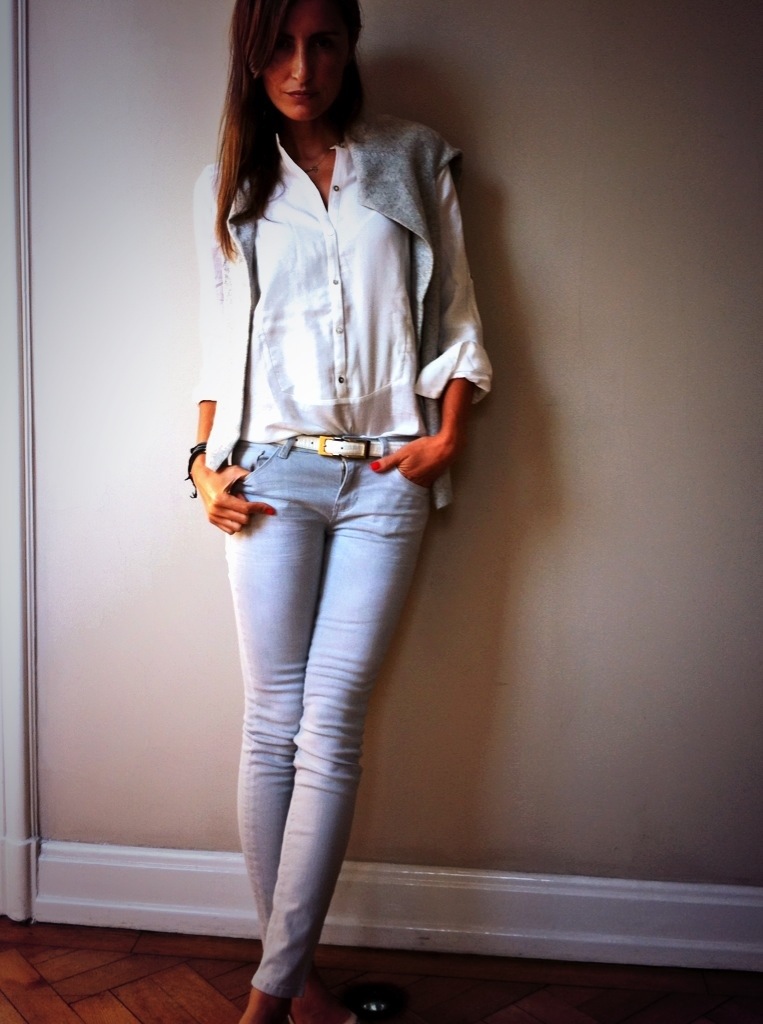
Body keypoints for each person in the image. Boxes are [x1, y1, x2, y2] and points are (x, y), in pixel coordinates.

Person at [188, 0, 492, 1021]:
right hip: (267, 473)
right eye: (278, 43)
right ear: (251, 53)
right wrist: (200, 468)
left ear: (350, 43)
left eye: (321, 40)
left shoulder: (410, 158)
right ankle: (293, 985)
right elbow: (216, 351)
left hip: (384, 477)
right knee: (271, 723)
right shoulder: (226, 185)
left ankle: (267, 997)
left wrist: (445, 437)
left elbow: (457, 314)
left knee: (331, 727)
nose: (300, 66)